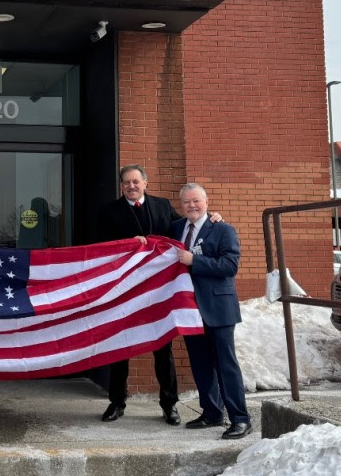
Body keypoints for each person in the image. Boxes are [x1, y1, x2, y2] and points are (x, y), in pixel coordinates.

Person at [95, 164, 185, 425]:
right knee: (119, 347)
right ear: (121, 186)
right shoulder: (109, 211)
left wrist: (211, 218)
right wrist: (126, 245)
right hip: (124, 291)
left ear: (145, 182)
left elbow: (185, 228)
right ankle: (117, 402)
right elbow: (100, 247)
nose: (131, 187)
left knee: (162, 348)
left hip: (157, 291)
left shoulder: (163, 206)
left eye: (135, 182)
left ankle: (169, 405)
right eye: (126, 183)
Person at [171, 182, 251, 439]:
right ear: (180, 205)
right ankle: (212, 412)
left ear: (206, 202)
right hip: (190, 310)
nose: (192, 206)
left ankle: (240, 418)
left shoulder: (223, 229)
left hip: (218, 308)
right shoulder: (175, 228)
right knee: (201, 364)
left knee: (226, 365)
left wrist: (195, 261)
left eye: (196, 201)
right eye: (186, 202)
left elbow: (229, 266)